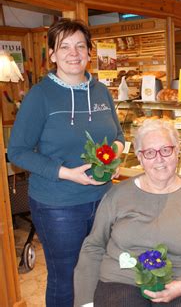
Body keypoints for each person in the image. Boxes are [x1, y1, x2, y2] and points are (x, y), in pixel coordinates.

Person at [7, 18, 125, 307]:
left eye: (80, 46)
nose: (74, 53)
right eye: (65, 47)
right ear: (52, 54)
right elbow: (17, 151)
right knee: (66, 276)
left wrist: (117, 154)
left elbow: (118, 135)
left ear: (88, 52)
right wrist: (67, 174)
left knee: (101, 269)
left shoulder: (101, 91)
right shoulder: (40, 96)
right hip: (57, 204)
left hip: (103, 200)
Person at [74, 119, 181, 307]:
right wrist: (86, 303)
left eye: (166, 150)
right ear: (139, 157)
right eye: (149, 153)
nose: (159, 159)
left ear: (177, 151)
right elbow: (94, 246)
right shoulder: (117, 194)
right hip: (123, 278)